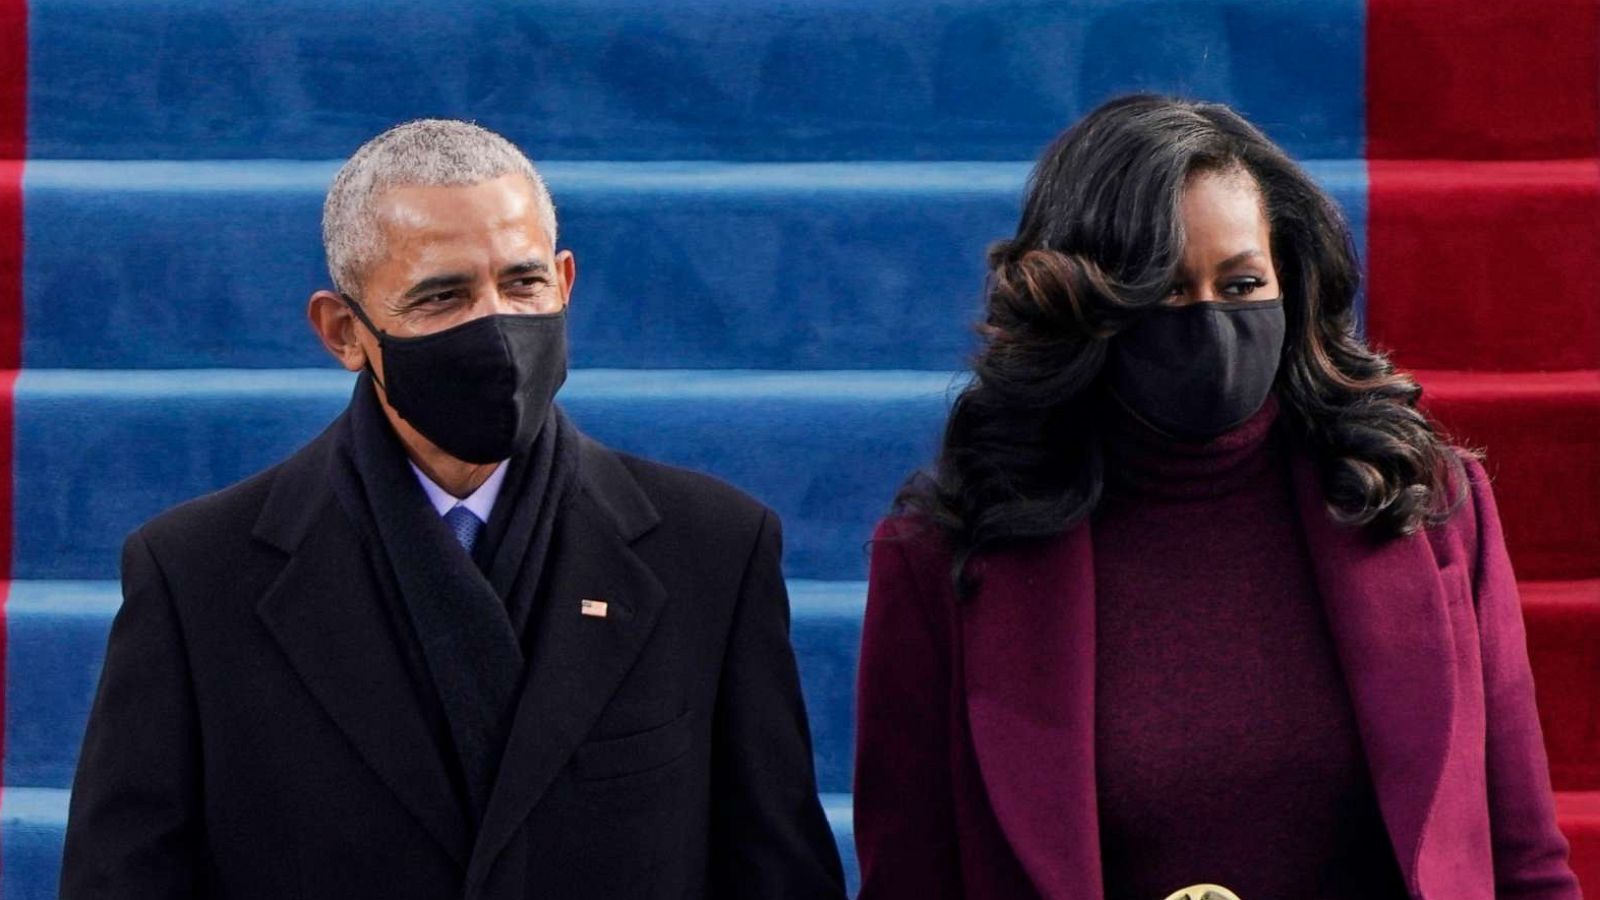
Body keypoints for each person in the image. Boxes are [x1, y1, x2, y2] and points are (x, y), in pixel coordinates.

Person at [61, 119, 846, 900]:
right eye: (443, 296)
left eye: (522, 283)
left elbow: (776, 870)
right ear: (344, 331)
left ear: (565, 283)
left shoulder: (714, 548)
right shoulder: (198, 574)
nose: (496, 327)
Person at [853, 95, 1579, 899]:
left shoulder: (1422, 502)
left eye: (1241, 283)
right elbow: (909, 879)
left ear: (1291, 281)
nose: (1208, 320)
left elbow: (1524, 861)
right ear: (1086, 305)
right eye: (1164, 289)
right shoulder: (943, 558)